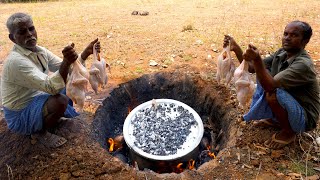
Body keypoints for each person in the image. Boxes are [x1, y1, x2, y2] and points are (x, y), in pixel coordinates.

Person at [1, 12, 100, 148]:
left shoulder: (40, 51)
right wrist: (66, 61)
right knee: (61, 100)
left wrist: (85, 54)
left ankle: (49, 116)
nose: (29, 34)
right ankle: (39, 133)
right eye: (22, 32)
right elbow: (52, 87)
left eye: (31, 29)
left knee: (71, 83)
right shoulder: (16, 62)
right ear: (12, 38)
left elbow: (70, 70)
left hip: (39, 97)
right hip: (21, 114)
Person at [224, 20, 320, 149]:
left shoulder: (303, 64)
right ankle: (277, 120)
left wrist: (257, 59)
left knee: (272, 94)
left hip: (305, 118)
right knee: (264, 72)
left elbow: (270, 86)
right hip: (290, 103)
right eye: (286, 34)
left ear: (305, 41)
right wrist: (236, 48)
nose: (287, 38)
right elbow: (252, 68)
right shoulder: (281, 53)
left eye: (294, 35)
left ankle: (288, 132)